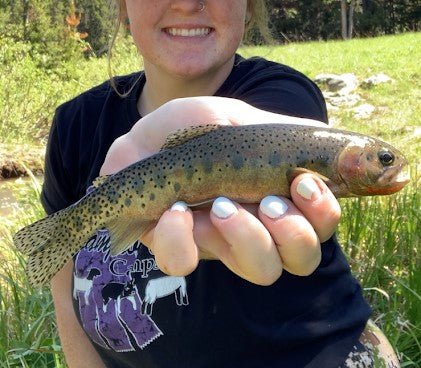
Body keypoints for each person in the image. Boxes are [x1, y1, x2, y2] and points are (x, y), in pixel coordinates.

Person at [42, 1, 400, 367]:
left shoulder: (285, 95)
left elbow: (281, 125)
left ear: (249, 8)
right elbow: (63, 282)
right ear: (122, 8)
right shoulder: (76, 124)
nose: (186, 2)